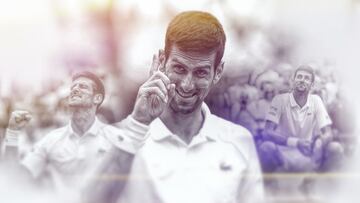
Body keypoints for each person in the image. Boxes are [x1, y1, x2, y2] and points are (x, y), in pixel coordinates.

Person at [87, 11, 264, 203]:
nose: (187, 85)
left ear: (218, 72)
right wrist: (138, 124)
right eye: (179, 69)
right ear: (162, 61)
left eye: (200, 73)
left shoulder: (239, 141)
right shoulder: (120, 136)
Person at [1, 70, 167, 201]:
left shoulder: (118, 138)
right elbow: (16, 178)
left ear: (98, 98)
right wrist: (13, 132)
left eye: (82, 86)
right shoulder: (50, 141)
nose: (75, 89)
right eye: (73, 87)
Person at [258, 65, 344, 173]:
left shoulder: (316, 101)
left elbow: (328, 132)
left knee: (335, 148)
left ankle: (324, 185)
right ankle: (270, 185)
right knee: (266, 147)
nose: (302, 80)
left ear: (312, 85)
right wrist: (295, 142)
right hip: (282, 156)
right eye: (299, 77)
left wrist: (320, 141)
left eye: (307, 78)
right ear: (293, 81)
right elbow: (266, 132)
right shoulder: (279, 100)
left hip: (308, 155)